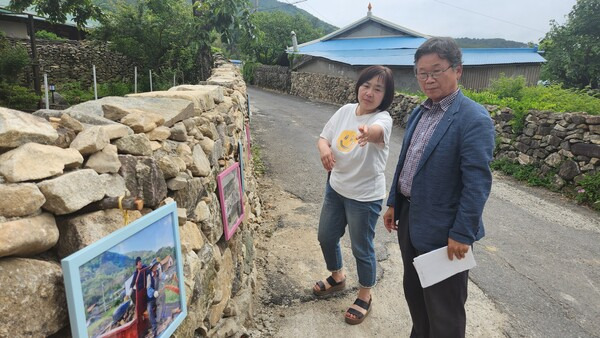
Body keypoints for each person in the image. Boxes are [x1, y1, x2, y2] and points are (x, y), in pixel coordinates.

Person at [383, 37, 495, 337]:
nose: (428, 79)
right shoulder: (421, 111)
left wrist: (462, 233)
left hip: (446, 233)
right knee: (416, 294)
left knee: (444, 308)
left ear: (457, 70)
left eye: (436, 71)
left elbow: (477, 183)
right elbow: (406, 161)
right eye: (422, 73)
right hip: (410, 219)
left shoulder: (473, 118)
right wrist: (394, 201)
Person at [313, 65, 395, 325]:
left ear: (386, 95)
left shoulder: (383, 119)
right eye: (366, 85)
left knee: (362, 248)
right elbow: (323, 138)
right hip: (336, 188)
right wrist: (325, 150)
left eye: (378, 89)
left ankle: (365, 295)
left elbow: (378, 132)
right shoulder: (346, 111)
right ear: (359, 86)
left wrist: (367, 133)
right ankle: (337, 277)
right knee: (326, 236)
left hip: (365, 197)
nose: (370, 92)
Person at [129, 257, 148, 337]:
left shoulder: (145, 268)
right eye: (138, 262)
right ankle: (136, 305)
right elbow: (132, 283)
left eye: (140, 261)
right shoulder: (136, 273)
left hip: (145, 288)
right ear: (136, 265)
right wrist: (131, 288)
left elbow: (150, 272)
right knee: (132, 294)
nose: (140, 263)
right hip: (139, 291)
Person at [146, 258, 161, 337]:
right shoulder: (149, 276)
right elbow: (148, 288)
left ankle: (161, 318)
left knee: (163, 300)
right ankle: (155, 328)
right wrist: (153, 292)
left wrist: (168, 276)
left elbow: (162, 277)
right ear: (152, 267)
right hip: (151, 298)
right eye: (155, 265)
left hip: (158, 295)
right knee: (149, 310)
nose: (156, 267)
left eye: (157, 265)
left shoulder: (158, 272)